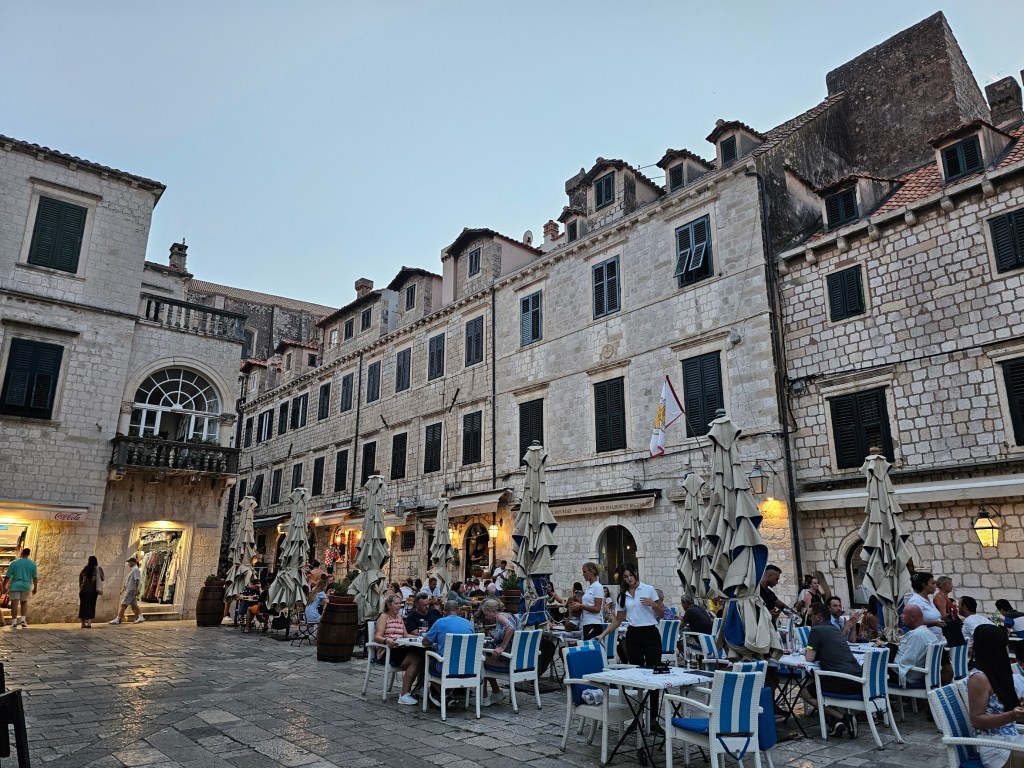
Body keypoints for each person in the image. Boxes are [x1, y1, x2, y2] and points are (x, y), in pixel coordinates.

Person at [597, 563, 666, 734]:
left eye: (631, 575)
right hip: (634, 635)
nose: (629, 579)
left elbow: (662, 614)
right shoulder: (623, 596)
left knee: (654, 674)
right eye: (626, 577)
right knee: (636, 675)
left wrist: (653, 604)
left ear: (636, 574)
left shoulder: (649, 589)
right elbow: (618, 620)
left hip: (651, 633)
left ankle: (653, 719)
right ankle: (638, 717)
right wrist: (603, 634)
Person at [966, 624, 1024, 768]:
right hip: (996, 748)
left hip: (1012, 738)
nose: (1006, 650)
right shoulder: (979, 678)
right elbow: (977, 720)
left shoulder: (997, 673)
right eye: (1004, 646)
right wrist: (1012, 715)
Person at [801, 603, 860, 737]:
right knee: (819, 684)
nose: (810, 619)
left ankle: (844, 717)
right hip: (856, 678)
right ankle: (834, 723)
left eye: (811, 616)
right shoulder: (834, 629)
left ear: (818, 616)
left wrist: (806, 651)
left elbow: (809, 658)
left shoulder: (816, 630)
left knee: (805, 693)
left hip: (843, 681)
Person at [422, 599, 475, 707]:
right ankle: (443, 695)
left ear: (444, 611)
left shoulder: (440, 622)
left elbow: (425, 642)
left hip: (447, 668)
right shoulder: (468, 624)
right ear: (458, 611)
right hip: (467, 667)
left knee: (427, 663)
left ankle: (443, 695)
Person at [375, 593, 423, 705]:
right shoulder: (384, 616)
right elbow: (377, 636)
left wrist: (420, 637)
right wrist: (386, 640)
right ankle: (404, 695)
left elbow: (405, 635)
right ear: (389, 605)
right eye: (396, 603)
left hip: (399, 649)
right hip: (387, 651)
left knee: (421, 655)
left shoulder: (399, 617)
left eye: (400, 603)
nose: (399, 606)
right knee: (415, 659)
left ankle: (414, 690)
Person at [477, 597, 519, 706]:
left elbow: (510, 627)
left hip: (508, 660)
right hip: (516, 659)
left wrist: (502, 647)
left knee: (481, 660)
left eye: (486, 615)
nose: (487, 618)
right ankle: (496, 692)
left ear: (493, 611)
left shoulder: (500, 616)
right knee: (487, 658)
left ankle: (484, 697)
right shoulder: (509, 615)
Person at [888, 605, 935, 686]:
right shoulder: (927, 632)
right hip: (915, 674)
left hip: (905, 678)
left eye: (904, 613)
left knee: (872, 668)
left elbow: (905, 662)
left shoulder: (916, 635)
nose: (901, 616)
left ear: (913, 618)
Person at [4, 548, 37, 628]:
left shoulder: (14, 563)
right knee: (24, 602)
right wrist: (35, 587)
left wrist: (4, 586)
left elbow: (7, 576)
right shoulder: (32, 564)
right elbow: (34, 578)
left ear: (21, 553)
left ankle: (14, 622)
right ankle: (23, 620)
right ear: (29, 554)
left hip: (15, 585)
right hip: (26, 586)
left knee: (14, 604)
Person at [905, 571, 944, 641]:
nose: (935, 586)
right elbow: (913, 622)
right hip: (925, 641)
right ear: (924, 585)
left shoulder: (928, 599)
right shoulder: (916, 601)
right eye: (932, 583)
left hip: (936, 639)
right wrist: (934, 623)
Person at [109, 557, 145, 625]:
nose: (128, 563)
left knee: (123, 605)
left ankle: (118, 619)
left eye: (129, 562)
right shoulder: (133, 570)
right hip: (130, 589)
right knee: (134, 605)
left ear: (133, 562)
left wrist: (136, 589)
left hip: (131, 590)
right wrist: (123, 589)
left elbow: (137, 580)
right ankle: (141, 616)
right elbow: (129, 581)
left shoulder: (136, 570)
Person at [934, 576, 965, 647]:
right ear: (942, 585)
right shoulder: (940, 597)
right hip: (949, 627)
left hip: (953, 625)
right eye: (949, 583)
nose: (951, 585)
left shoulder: (945, 597)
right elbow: (943, 615)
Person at [578, 563, 606, 639]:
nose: (583, 574)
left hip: (594, 623)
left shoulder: (597, 587)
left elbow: (597, 608)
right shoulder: (588, 588)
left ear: (592, 572)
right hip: (586, 623)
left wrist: (581, 606)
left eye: (585, 572)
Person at [78, 556, 103, 629]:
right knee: (91, 605)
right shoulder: (98, 568)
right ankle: (89, 623)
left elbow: (80, 577)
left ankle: (82, 623)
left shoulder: (85, 568)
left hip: (84, 589)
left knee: (83, 606)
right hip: (92, 589)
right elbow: (103, 578)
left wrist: (81, 586)